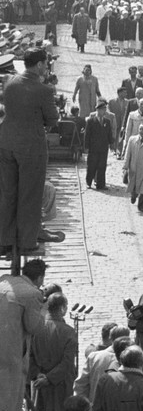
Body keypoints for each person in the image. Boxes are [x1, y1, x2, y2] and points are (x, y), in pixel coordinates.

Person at [0, 48, 59, 259]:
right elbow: (52, 120)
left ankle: (4, 241)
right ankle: (26, 241)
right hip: (31, 148)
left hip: (6, 142)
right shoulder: (44, 90)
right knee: (30, 195)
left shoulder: (10, 83)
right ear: (40, 65)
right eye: (46, 63)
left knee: (7, 194)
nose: (47, 66)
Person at [27, 291, 76, 411]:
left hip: (39, 382)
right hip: (59, 384)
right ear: (62, 308)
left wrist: (38, 374)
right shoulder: (68, 332)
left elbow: (28, 356)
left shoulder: (35, 328)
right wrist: (49, 378)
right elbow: (67, 362)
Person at [84, 99, 116, 190]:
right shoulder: (91, 121)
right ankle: (89, 182)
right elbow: (87, 135)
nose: (104, 111)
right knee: (91, 165)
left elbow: (109, 134)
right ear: (97, 110)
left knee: (102, 166)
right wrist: (86, 147)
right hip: (93, 148)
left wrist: (111, 144)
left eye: (105, 109)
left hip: (103, 148)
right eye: (102, 109)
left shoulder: (107, 121)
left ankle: (101, 184)